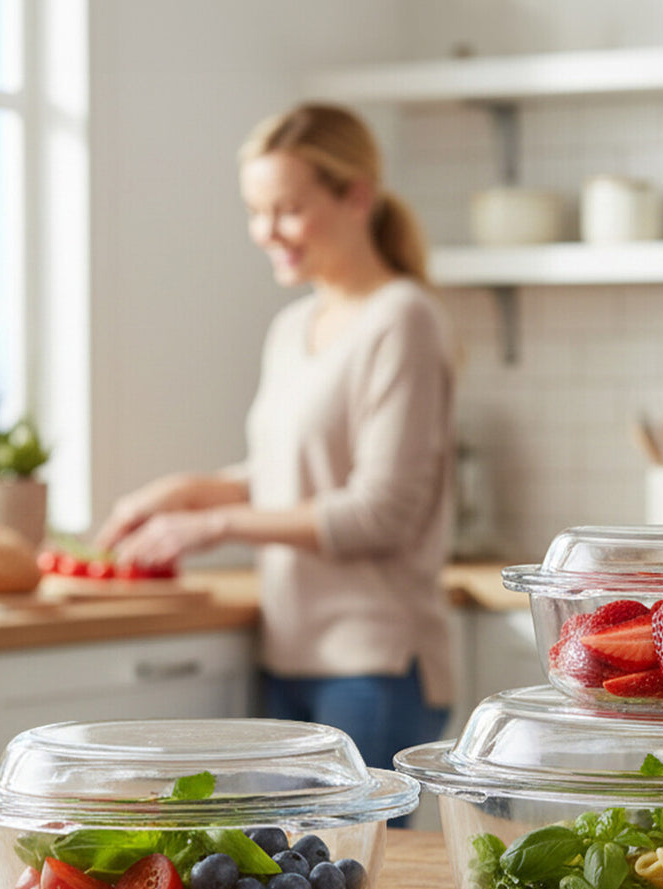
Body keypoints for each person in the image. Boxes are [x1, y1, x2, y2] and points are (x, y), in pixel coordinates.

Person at [97, 103, 455, 770]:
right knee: (289, 871)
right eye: (255, 211)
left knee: (349, 871)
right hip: (286, 652)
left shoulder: (403, 318)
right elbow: (288, 473)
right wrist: (189, 493)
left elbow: (381, 511)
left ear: (356, 195)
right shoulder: (294, 325)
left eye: (287, 209)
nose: (266, 231)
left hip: (373, 664)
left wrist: (215, 527)